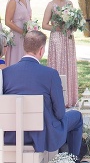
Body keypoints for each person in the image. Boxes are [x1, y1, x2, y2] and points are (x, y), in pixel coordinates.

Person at [3, 31, 83, 161]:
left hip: (11, 135)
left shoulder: (5, 73)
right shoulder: (50, 74)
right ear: (41, 50)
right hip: (42, 136)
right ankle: (72, 159)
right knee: (77, 117)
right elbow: (60, 113)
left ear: (25, 47)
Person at [41, 0, 79, 107]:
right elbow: (44, 25)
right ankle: (58, 99)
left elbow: (73, 20)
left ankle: (70, 98)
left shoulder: (69, 3)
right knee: (58, 65)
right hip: (57, 38)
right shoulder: (51, 5)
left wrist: (73, 25)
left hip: (68, 38)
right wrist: (58, 28)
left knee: (69, 64)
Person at [5, 0, 32, 67]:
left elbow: (29, 18)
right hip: (17, 36)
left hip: (27, 37)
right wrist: (22, 32)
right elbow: (7, 21)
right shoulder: (13, 1)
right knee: (17, 60)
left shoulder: (27, 0)